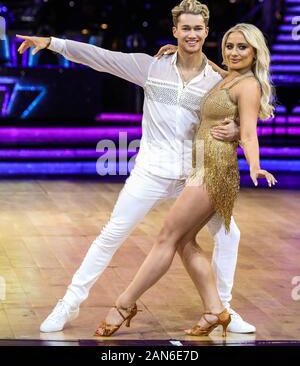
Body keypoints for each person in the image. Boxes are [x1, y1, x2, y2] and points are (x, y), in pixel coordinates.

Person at [17, 0, 254, 335]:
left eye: (198, 28)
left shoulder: (217, 79)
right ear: (175, 31)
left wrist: (235, 130)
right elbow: (101, 59)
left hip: (196, 174)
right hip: (151, 170)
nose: (192, 34)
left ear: (206, 32)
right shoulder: (151, 67)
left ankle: (224, 309)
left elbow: (254, 103)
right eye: (185, 28)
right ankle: (69, 303)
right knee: (111, 235)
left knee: (230, 234)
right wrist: (53, 43)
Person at [94, 22, 277, 337]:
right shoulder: (226, 76)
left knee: (167, 237)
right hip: (201, 166)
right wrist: (176, 54)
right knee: (184, 242)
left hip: (214, 170)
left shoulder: (247, 85)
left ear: (255, 52)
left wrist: (255, 165)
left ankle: (124, 304)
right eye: (230, 46)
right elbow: (211, 73)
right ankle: (215, 311)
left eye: (242, 47)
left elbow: (248, 131)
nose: (234, 52)